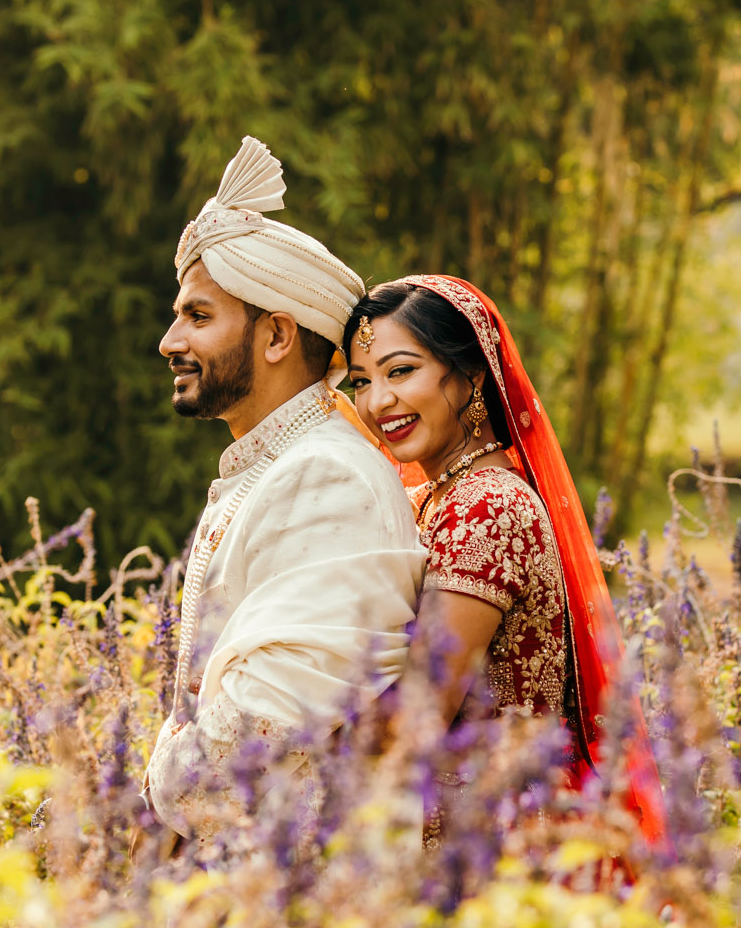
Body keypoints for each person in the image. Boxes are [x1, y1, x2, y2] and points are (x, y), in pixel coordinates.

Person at [142, 137, 427, 849]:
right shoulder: (273, 465)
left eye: (198, 316)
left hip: (301, 907)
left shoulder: (325, 477)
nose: (169, 340)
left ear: (275, 334)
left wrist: (152, 775)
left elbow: (255, 728)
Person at [342, 276, 667, 846]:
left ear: (469, 374)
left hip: (493, 844)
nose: (377, 402)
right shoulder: (432, 498)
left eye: (400, 371)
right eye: (361, 381)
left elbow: (421, 713)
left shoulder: (486, 507)